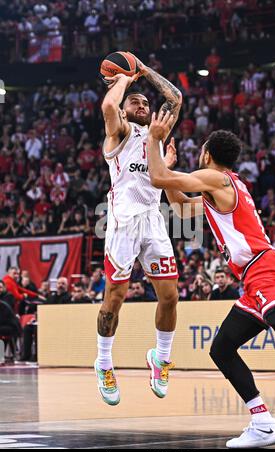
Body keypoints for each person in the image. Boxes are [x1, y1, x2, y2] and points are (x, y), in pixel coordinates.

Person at [146, 111, 275, 448]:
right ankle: (263, 423)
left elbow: (156, 179)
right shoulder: (223, 188)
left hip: (265, 270)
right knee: (222, 348)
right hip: (257, 274)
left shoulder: (218, 180)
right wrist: (169, 168)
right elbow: (183, 208)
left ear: (207, 155)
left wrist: (155, 140)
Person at [95, 53, 182, 406]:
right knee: (114, 299)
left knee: (170, 296)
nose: (143, 103)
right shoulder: (119, 133)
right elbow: (107, 107)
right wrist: (123, 81)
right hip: (122, 223)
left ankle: (160, 358)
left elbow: (175, 99)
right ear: (126, 110)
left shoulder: (156, 135)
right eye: (137, 101)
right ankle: (103, 362)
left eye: (146, 101)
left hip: (153, 221)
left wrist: (145, 71)